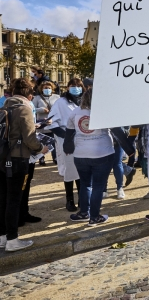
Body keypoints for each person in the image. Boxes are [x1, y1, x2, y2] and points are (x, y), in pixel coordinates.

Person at [63, 89, 134, 226]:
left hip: (80, 154)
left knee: (85, 184)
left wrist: (67, 149)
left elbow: (69, 134)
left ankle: (84, 212)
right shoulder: (103, 112)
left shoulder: (75, 112)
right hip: (102, 153)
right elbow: (118, 132)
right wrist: (130, 150)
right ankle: (94, 217)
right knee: (98, 186)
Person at [0, 78, 48, 251]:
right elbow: (30, 139)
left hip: (2, 158)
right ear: (29, 94)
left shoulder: (4, 107)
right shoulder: (24, 108)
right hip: (18, 159)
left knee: (3, 198)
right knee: (14, 199)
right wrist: (42, 148)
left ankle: (3, 237)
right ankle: (12, 240)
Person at [47, 78, 84, 211]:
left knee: (82, 169)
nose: (76, 88)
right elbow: (51, 122)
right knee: (70, 169)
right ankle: (69, 200)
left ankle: (82, 198)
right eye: (72, 85)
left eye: (78, 85)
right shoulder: (60, 102)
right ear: (67, 88)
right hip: (66, 140)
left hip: (83, 140)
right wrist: (65, 135)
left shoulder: (85, 102)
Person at [32, 81, 60, 166]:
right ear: (42, 89)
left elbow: (60, 109)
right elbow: (32, 109)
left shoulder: (57, 97)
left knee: (55, 142)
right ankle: (41, 158)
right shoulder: (37, 98)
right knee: (42, 142)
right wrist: (41, 109)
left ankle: (55, 157)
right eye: (45, 88)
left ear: (52, 89)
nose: (47, 89)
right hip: (42, 124)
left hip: (53, 123)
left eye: (49, 88)